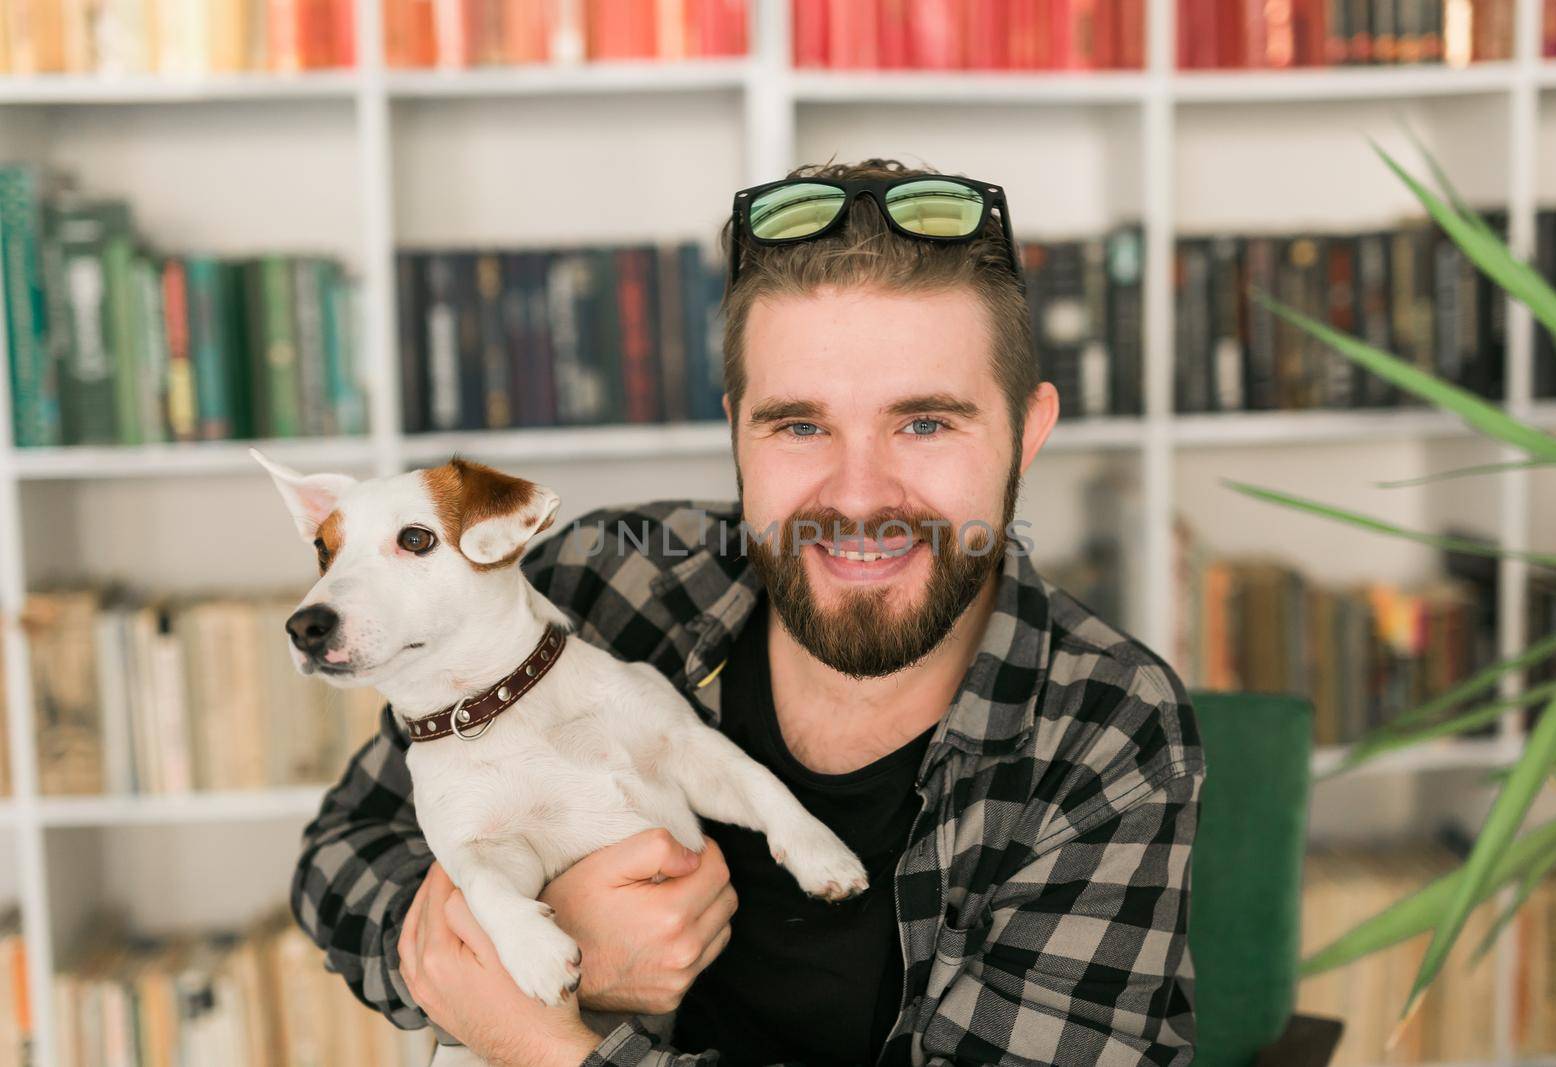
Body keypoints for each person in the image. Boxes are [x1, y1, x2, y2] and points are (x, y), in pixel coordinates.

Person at [290, 157, 1205, 1067]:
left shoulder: (1109, 727)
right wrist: (550, 936)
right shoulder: (596, 586)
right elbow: (340, 855)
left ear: (1028, 432)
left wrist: (547, 1034)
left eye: (925, 423)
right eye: (799, 425)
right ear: (738, 431)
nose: (856, 496)